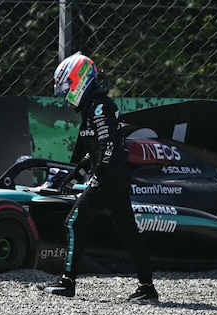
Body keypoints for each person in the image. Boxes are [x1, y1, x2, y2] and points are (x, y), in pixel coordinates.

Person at [39, 52, 158, 301]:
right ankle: (147, 288)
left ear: (79, 82)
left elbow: (107, 148)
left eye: (67, 90)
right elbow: (94, 153)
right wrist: (73, 176)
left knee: (73, 223)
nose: (68, 99)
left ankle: (67, 283)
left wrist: (98, 177)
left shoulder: (100, 107)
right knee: (128, 232)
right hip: (118, 175)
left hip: (110, 177)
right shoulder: (96, 106)